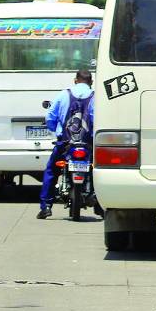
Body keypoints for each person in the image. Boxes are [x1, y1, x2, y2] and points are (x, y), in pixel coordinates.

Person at [37, 69, 98, 219]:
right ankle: (100, 207)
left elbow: (50, 117)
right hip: (88, 144)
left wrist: (55, 130)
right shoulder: (96, 97)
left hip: (65, 143)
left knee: (51, 171)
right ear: (91, 82)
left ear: (75, 80)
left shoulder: (64, 95)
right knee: (99, 171)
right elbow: (99, 119)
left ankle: (46, 207)